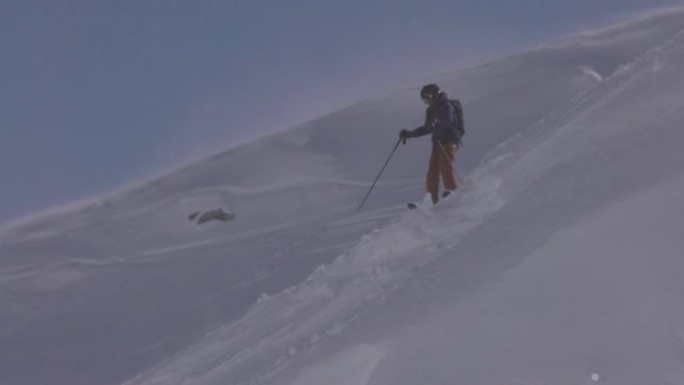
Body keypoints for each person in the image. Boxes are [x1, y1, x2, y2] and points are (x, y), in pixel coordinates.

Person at [399, 83, 461, 205]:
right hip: (437, 143)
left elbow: (447, 123)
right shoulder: (430, 110)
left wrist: (436, 125)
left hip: (449, 141)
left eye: (426, 99)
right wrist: (410, 133)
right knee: (432, 170)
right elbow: (427, 128)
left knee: (445, 164)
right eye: (424, 100)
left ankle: (453, 194)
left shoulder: (446, 106)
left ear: (432, 95)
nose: (426, 102)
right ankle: (431, 201)